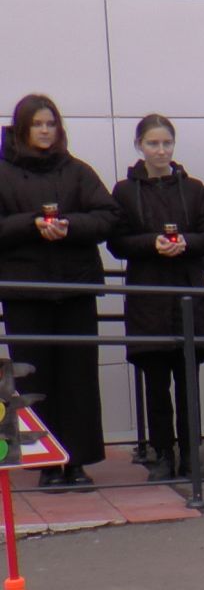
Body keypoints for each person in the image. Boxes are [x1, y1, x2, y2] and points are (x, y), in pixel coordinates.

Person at [0, 93, 119, 489]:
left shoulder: (77, 171)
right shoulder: (3, 173)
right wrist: (32, 223)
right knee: (34, 380)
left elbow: (107, 217)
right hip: (25, 293)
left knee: (78, 379)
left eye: (51, 123)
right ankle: (46, 465)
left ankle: (77, 462)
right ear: (22, 128)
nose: (45, 130)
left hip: (75, 288)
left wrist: (70, 226)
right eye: (37, 124)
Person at [106, 115, 204, 483]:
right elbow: (117, 242)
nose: (161, 151)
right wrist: (150, 244)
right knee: (156, 385)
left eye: (166, 143)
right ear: (140, 145)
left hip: (188, 294)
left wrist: (187, 242)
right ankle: (163, 455)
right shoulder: (124, 190)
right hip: (148, 297)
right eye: (153, 144)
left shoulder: (195, 189)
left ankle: (190, 455)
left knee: (189, 384)